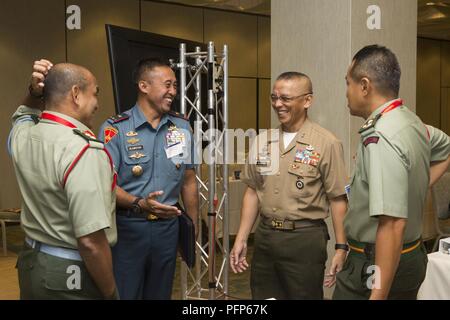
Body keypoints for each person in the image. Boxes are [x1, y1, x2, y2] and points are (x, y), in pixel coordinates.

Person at [333, 45, 450, 300]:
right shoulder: (412, 123)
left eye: (348, 83)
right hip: (410, 255)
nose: (346, 92)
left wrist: (377, 295)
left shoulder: (381, 136)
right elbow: (446, 149)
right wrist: (416, 185)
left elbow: (393, 224)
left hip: (376, 262)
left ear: (364, 86)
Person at [230, 71, 349, 300]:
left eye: (285, 98)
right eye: (273, 98)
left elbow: (337, 199)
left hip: (304, 239)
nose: (278, 104)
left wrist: (341, 247)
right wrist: (242, 238)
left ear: (307, 100)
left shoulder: (326, 143)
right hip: (266, 238)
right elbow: (253, 190)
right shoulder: (263, 141)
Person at [9, 59, 118, 299]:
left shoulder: (24, 135)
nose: (97, 104)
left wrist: (33, 93)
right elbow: (90, 241)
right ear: (76, 94)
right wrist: (110, 293)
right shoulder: (85, 150)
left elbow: (21, 116)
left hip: (31, 263)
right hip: (70, 274)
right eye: (95, 94)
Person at [98, 58, 199, 300]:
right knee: (126, 293)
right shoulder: (115, 129)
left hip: (167, 229)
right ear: (144, 86)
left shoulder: (182, 128)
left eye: (175, 86)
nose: (173, 92)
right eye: (167, 85)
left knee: (160, 294)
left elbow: (188, 180)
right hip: (128, 228)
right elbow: (105, 185)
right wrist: (139, 202)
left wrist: (192, 226)